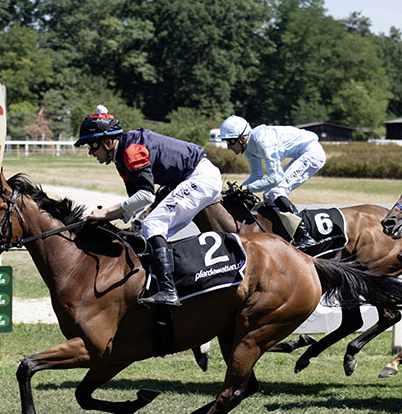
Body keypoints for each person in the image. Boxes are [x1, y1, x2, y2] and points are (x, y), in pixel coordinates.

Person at [75, 105, 222, 307]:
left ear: (108, 142)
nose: (91, 153)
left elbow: (146, 195)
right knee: (146, 229)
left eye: (92, 146)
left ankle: (168, 291)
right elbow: (135, 201)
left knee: (153, 224)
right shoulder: (120, 158)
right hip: (186, 179)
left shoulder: (131, 150)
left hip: (200, 176)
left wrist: (107, 213)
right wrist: (118, 218)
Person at [218, 115, 326, 249]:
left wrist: (248, 188)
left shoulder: (262, 140)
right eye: (226, 141)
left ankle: (304, 236)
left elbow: (276, 178)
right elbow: (256, 175)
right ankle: (284, 233)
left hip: (312, 153)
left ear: (243, 138)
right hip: (302, 153)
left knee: (275, 191)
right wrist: (239, 189)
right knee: (268, 196)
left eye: (231, 141)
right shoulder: (248, 148)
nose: (229, 147)